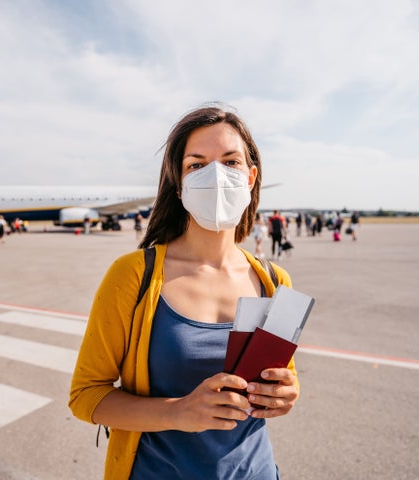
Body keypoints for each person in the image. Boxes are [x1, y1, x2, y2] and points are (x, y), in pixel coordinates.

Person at [69, 105, 299, 479]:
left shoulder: (276, 281)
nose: (216, 175)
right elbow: (85, 396)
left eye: (230, 162)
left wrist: (286, 394)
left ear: (251, 177)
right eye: (197, 165)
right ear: (179, 184)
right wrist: (176, 413)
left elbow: (282, 376)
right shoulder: (133, 275)